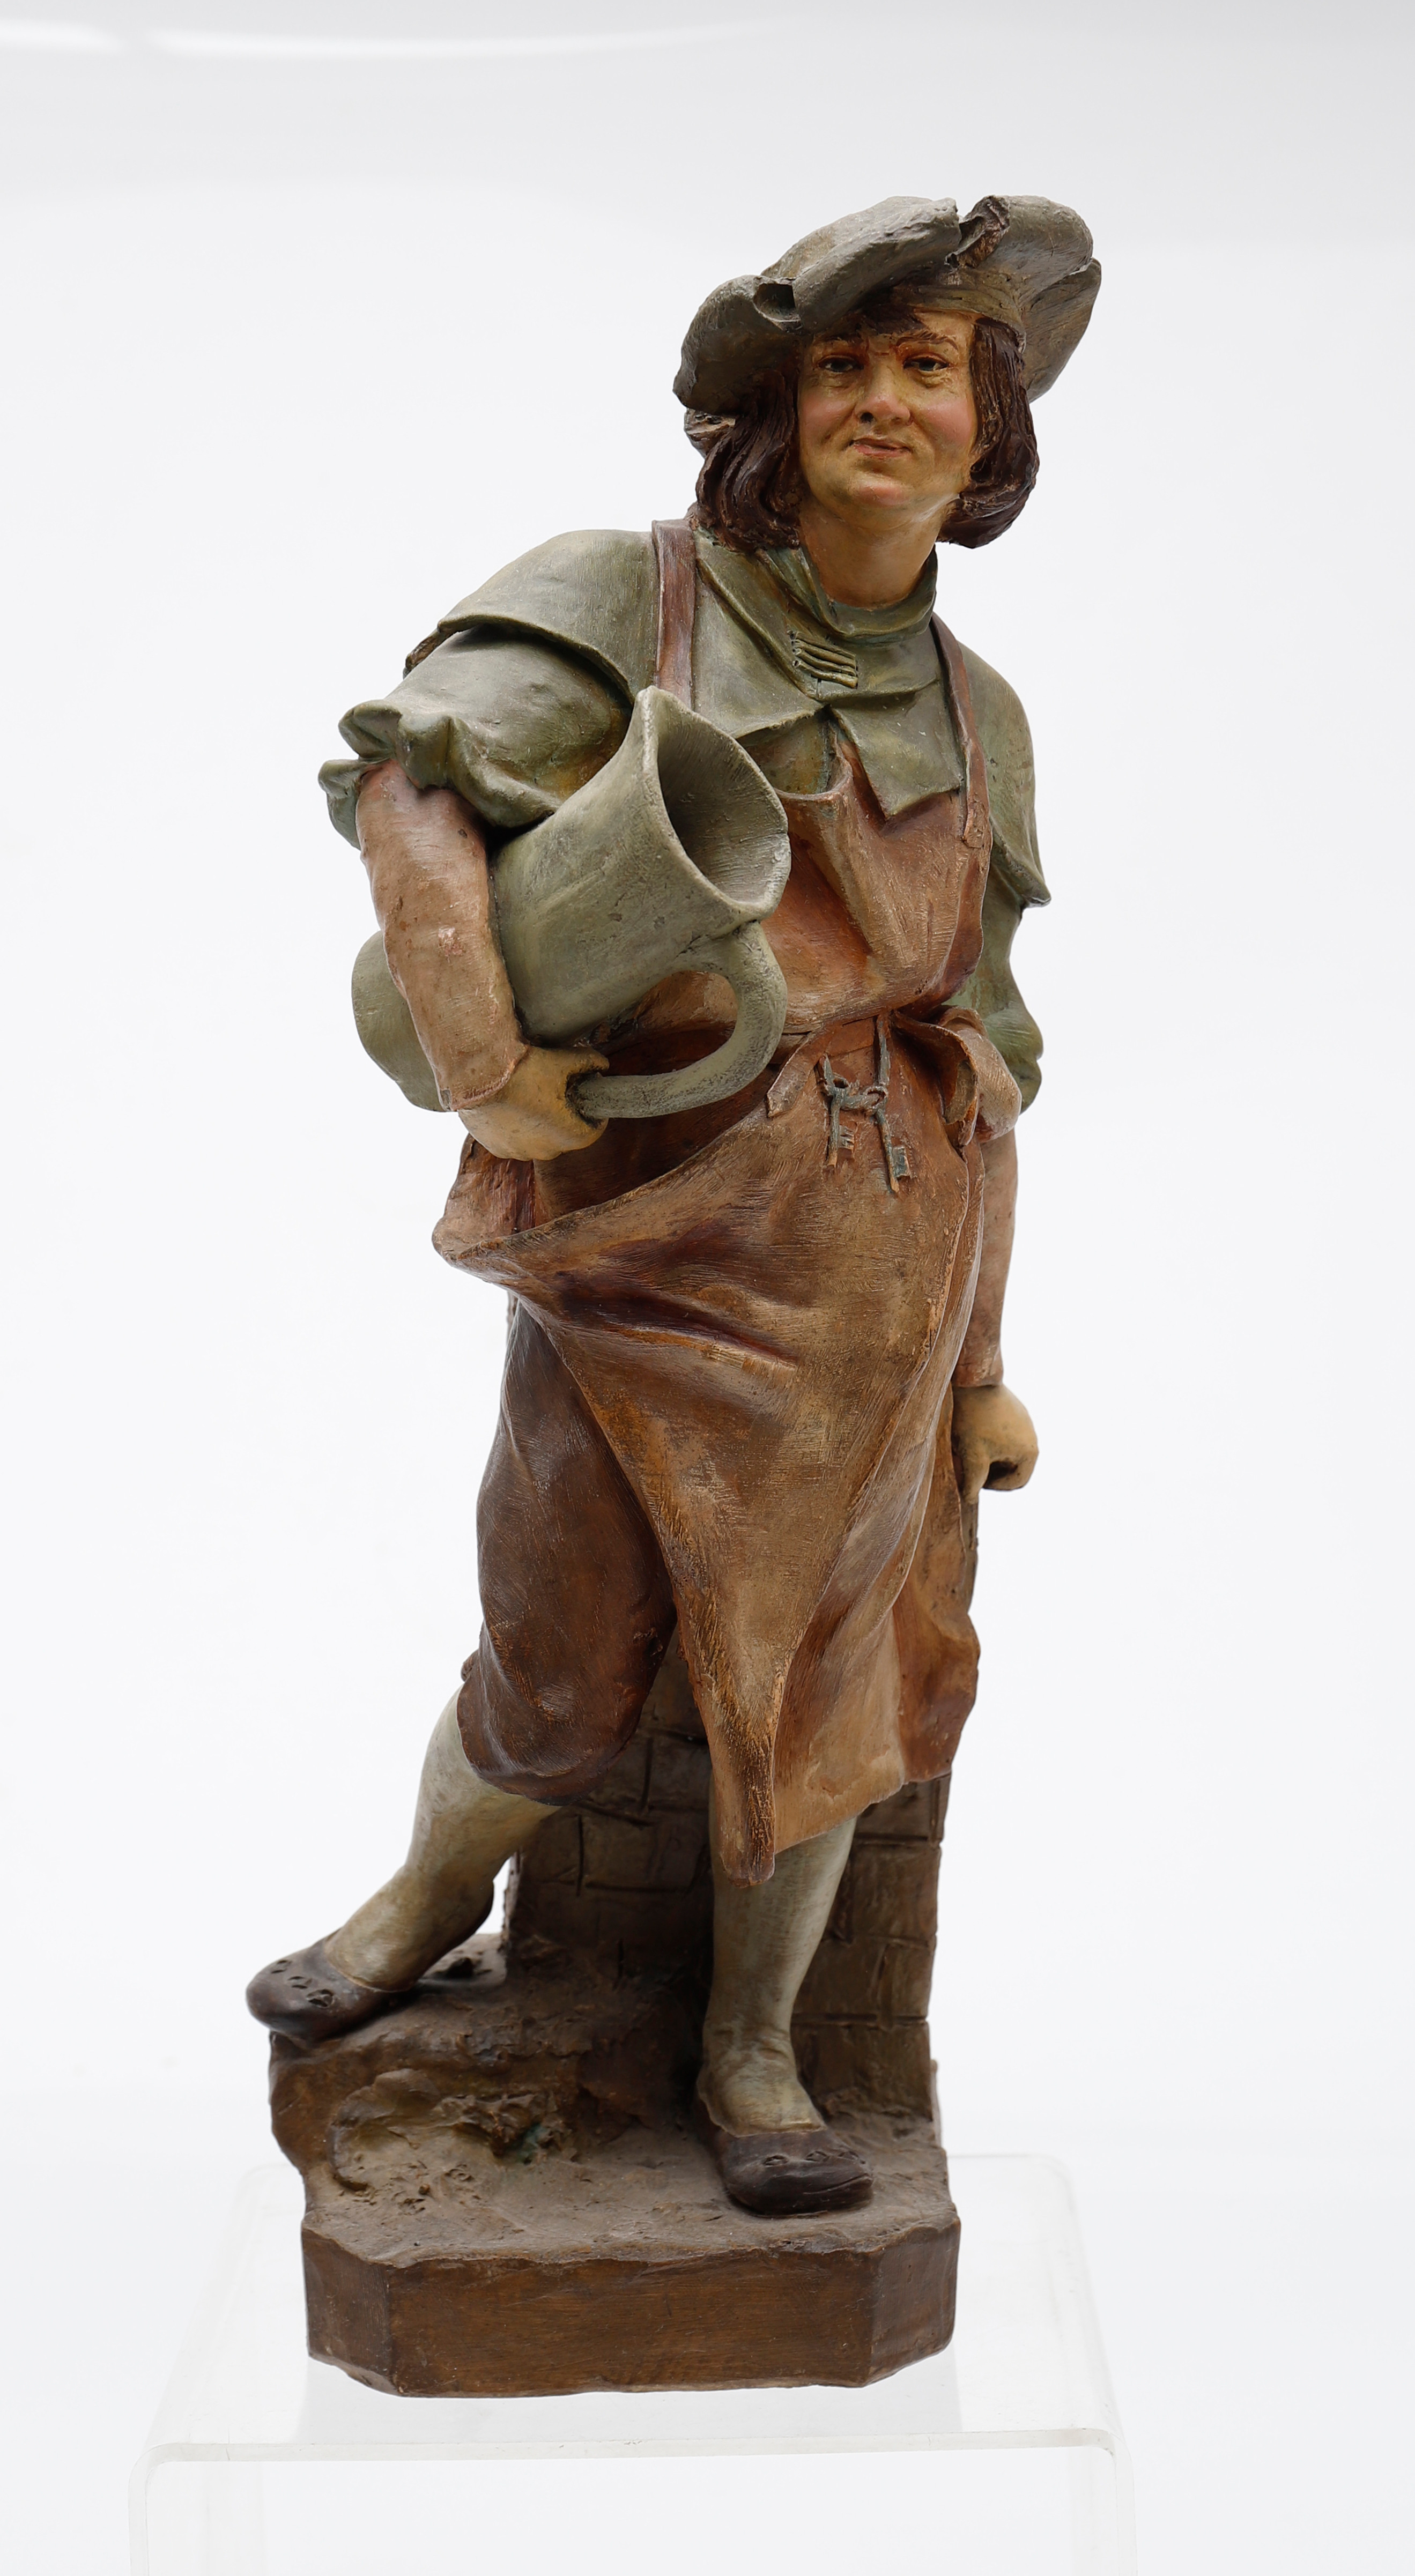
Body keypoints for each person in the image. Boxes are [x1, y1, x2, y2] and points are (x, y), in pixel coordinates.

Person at [249, 194, 1099, 2216]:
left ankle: (756, 2050)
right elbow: (411, 793)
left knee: (825, 1686)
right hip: (642, 1227)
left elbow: (983, 1067)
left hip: (880, 1267)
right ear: (774, 411)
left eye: (929, 368)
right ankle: (420, 1901)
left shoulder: (983, 712)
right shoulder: (624, 594)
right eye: (840, 367)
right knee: (554, 1636)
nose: (883, 402)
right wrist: (482, 1056)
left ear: (989, 425)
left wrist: (985, 1360)